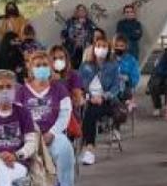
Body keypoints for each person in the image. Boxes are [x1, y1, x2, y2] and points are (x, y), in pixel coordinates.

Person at [20, 51, 78, 186]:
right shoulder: (22, 92)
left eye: (45, 65)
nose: (42, 68)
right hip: (29, 138)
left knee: (65, 148)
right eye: (38, 65)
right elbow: (16, 116)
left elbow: (65, 114)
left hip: (52, 135)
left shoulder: (59, 89)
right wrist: (31, 137)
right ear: (31, 68)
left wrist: (52, 133)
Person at [78, 37, 121, 167]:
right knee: (89, 110)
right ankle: (87, 147)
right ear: (93, 47)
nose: (101, 49)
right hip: (89, 100)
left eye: (104, 46)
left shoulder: (113, 66)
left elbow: (116, 87)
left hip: (107, 101)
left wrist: (103, 97)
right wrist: (89, 97)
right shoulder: (85, 66)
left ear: (108, 49)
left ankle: (89, 149)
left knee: (90, 113)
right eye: (98, 45)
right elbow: (80, 86)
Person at [50, 45, 85, 109]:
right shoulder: (46, 77)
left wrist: (59, 82)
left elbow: (77, 100)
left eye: (61, 58)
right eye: (54, 58)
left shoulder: (74, 75)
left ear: (66, 59)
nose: (58, 61)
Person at [112, 34, 141, 101]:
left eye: (122, 46)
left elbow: (136, 76)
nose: (119, 48)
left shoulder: (131, 60)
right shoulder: (109, 58)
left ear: (126, 46)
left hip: (126, 88)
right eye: (116, 46)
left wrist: (128, 78)